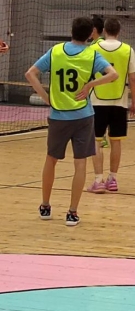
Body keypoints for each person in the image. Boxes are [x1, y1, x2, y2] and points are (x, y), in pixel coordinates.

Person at [25, 16, 118, 226]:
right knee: (80, 163)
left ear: (71, 31)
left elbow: (30, 74)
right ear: (91, 34)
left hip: (58, 116)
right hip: (83, 116)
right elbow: (113, 74)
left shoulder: (56, 51)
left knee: (51, 160)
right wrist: (90, 85)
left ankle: (45, 206)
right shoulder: (92, 54)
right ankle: (72, 213)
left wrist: (46, 97)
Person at [86, 18, 135, 193]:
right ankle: (113, 179)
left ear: (104, 30)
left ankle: (98, 180)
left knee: (96, 141)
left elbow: (85, 74)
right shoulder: (128, 50)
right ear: (119, 31)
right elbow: (133, 78)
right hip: (119, 101)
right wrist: (134, 102)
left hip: (97, 101)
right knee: (116, 141)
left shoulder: (93, 48)